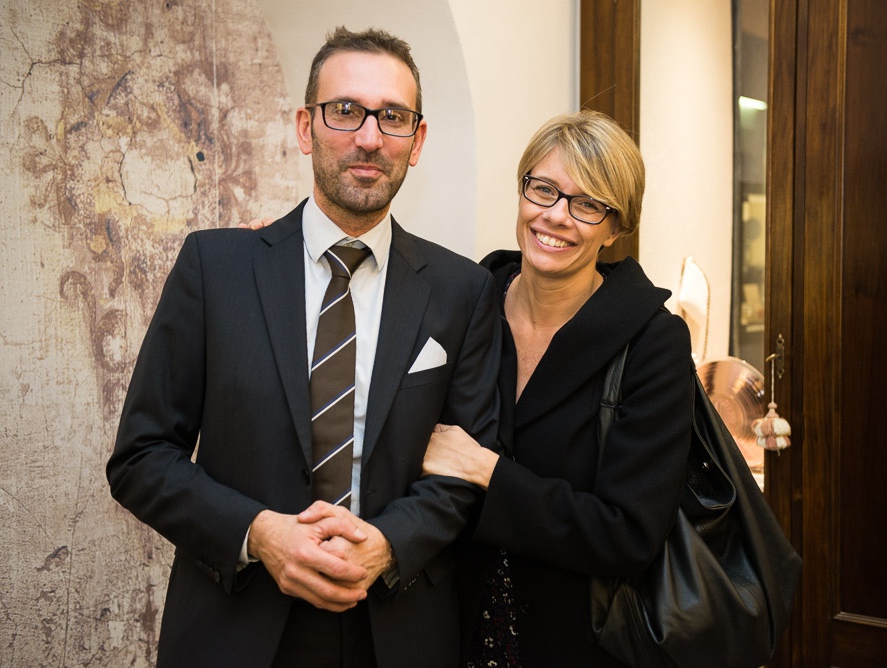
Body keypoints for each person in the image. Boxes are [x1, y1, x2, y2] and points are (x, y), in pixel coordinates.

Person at [106, 26, 501, 668]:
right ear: (305, 127)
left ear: (417, 140)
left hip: (395, 629)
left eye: (392, 117)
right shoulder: (216, 268)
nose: (369, 137)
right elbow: (141, 458)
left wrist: (388, 544)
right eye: (345, 110)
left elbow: (466, 471)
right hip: (237, 625)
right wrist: (259, 534)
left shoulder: (463, 291)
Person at [421, 110, 694, 667]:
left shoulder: (652, 342)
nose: (556, 215)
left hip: (577, 643)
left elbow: (629, 535)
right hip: (448, 628)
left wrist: (487, 471)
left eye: (588, 203)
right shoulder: (467, 301)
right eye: (543, 189)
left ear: (615, 227)